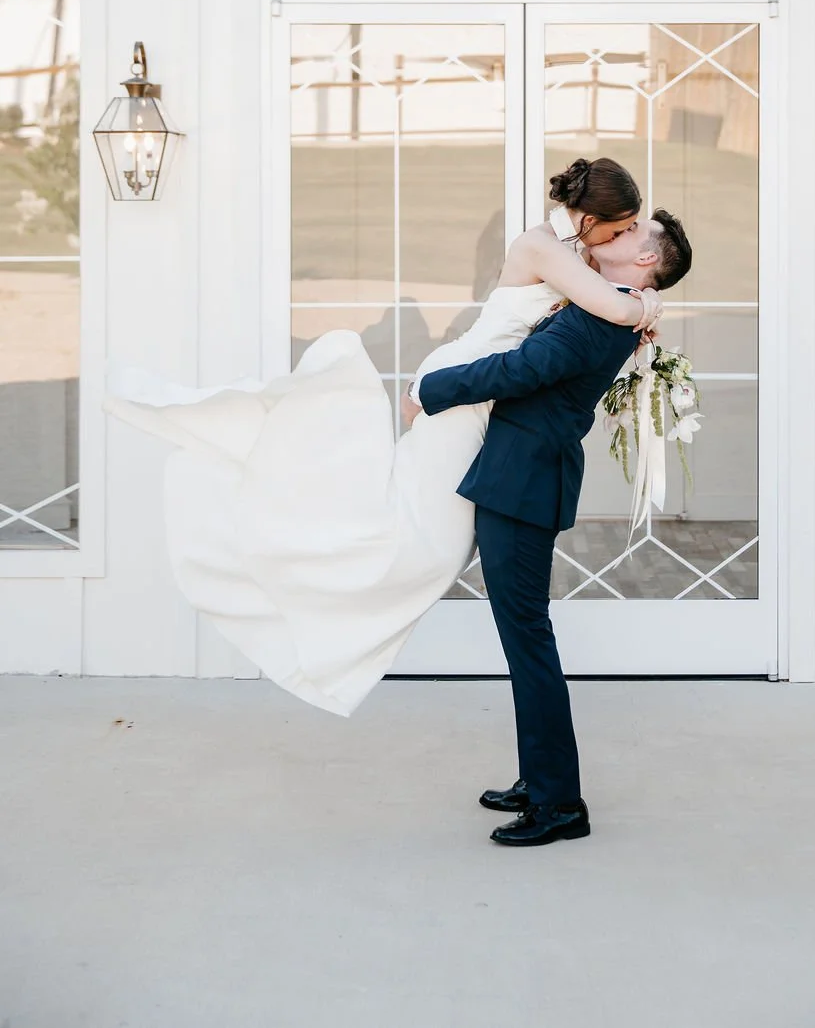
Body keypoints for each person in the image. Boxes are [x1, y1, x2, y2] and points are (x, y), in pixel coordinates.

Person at [102, 156, 686, 726]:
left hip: (481, 400)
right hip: (464, 384)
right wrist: (645, 303)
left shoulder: (579, 256)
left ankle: (341, 609)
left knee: (423, 530)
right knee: (416, 530)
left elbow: (587, 324)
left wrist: (641, 302)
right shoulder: (546, 249)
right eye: (624, 221)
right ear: (593, 219)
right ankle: (319, 587)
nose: (626, 231)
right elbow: (605, 308)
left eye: (635, 229)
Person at [405, 209, 692, 847]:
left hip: (524, 481)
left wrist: (428, 389)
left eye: (631, 236)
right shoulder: (611, 303)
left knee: (528, 640)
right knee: (525, 639)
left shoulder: (602, 318)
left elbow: (520, 371)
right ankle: (541, 780)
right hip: (522, 474)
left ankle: (561, 804)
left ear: (647, 261)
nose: (616, 235)